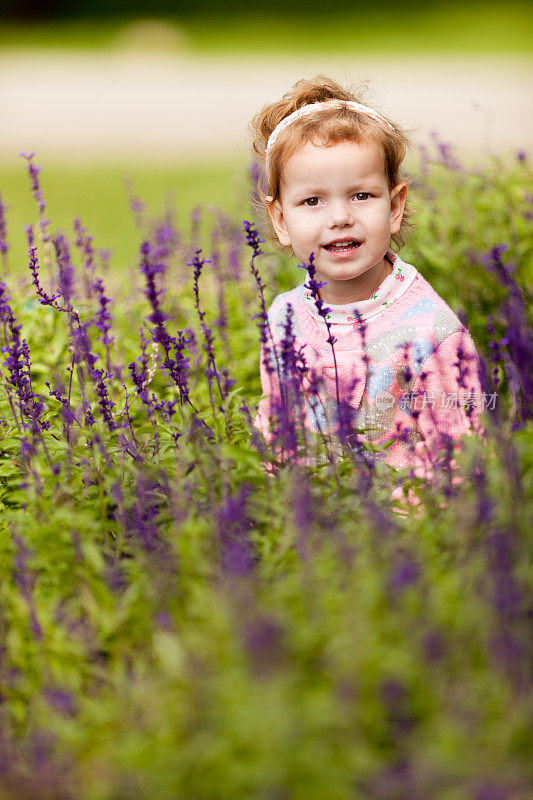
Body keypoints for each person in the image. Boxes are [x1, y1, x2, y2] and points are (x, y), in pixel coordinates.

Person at [249, 76, 484, 478]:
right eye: (312, 201)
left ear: (394, 207)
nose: (340, 217)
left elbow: (461, 450)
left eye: (361, 195)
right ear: (280, 219)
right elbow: (277, 424)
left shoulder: (431, 331)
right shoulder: (284, 317)